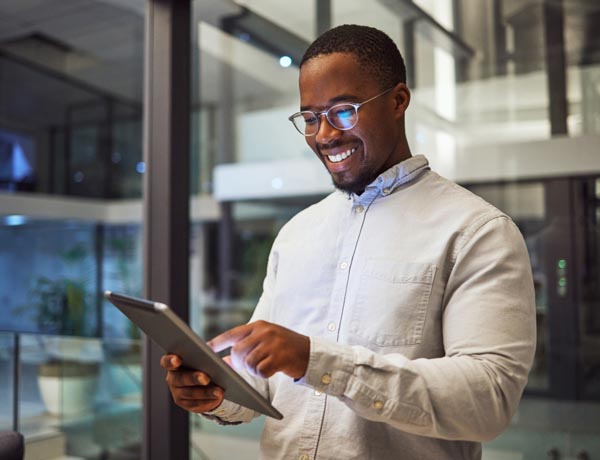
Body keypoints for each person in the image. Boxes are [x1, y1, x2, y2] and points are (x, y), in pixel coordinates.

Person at [161, 24, 536, 459]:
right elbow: (264, 383)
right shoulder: (297, 234)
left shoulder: (477, 231)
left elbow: (488, 402)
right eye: (310, 117)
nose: (324, 135)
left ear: (398, 101)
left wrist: (316, 361)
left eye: (343, 111)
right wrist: (215, 392)